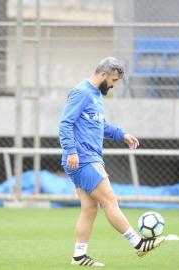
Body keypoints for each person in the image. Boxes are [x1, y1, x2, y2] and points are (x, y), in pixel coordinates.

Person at [59, 57, 165, 267]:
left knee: (90, 209)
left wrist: (122, 135)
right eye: (114, 80)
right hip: (83, 159)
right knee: (110, 200)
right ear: (103, 74)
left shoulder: (96, 95)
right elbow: (65, 123)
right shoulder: (82, 92)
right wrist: (71, 151)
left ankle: (79, 256)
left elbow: (101, 125)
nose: (114, 85)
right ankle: (138, 244)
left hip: (88, 158)